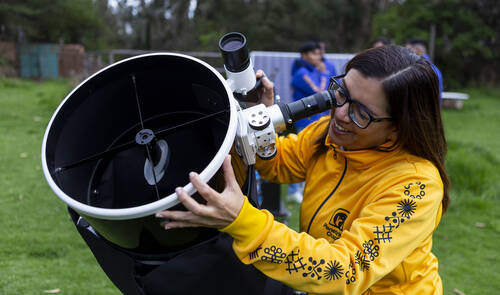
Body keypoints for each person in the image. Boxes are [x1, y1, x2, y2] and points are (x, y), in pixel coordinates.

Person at [156, 45, 449, 294]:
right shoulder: (330, 133)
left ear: (399, 128)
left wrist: (242, 221)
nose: (341, 113)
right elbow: (279, 164)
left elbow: (343, 271)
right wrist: (260, 129)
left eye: (362, 112)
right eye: (341, 92)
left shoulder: (415, 186)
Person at [405, 38, 443, 104]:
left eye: (409, 50)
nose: (406, 54)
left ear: (418, 50)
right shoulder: (433, 67)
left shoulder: (421, 68)